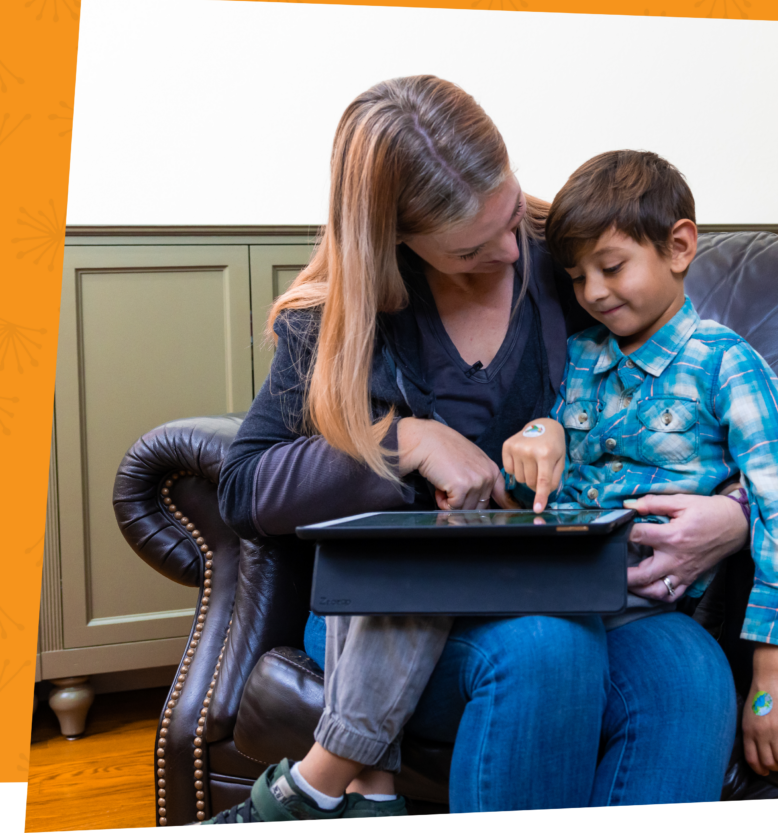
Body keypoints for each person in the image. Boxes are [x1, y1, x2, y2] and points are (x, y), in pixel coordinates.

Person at [204, 76, 750, 829]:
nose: (509, 250)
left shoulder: (574, 260)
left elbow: (712, 394)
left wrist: (736, 513)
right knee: (545, 653)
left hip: (572, 582)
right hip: (400, 609)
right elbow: (243, 487)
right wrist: (403, 441)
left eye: (507, 209)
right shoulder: (336, 314)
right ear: (397, 240)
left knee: (689, 671)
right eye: (469, 248)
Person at [503, 149, 778, 781]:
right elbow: (535, 478)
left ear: (678, 247)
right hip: (547, 586)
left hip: (652, 605)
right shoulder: (576, 357)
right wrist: (538, 434)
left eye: (612, 266)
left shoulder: (725, 363)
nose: (593, 292)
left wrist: (771, 677)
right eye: (577, 276)